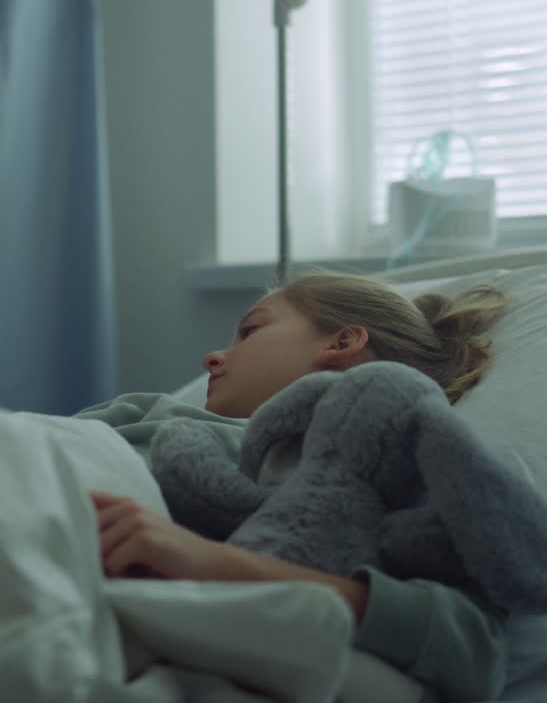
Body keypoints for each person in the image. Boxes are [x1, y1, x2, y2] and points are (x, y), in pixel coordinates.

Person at [77, 271, 511, 702]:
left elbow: (472, 648)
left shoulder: (379, 466)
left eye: (249, 331)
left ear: (341, 343)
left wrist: (215, 564)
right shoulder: (148, 412)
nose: (213, 357)